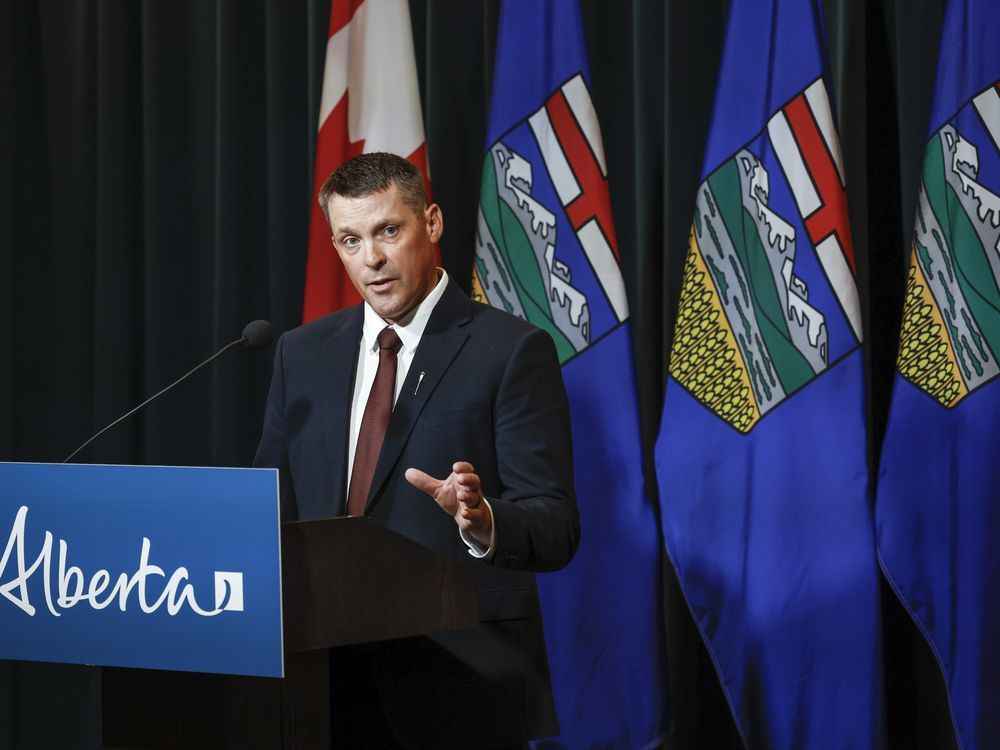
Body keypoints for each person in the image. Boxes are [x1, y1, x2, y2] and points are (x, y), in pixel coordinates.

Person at [254, 152, 579, 748]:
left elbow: (555, 526)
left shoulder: (510, 351)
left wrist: (483, 521)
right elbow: (268, 510)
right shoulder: (301, 354)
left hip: (458, 688)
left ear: (431, 223)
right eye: (350, 240)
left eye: (387, 231)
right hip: (321, 684)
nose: (370, 259)